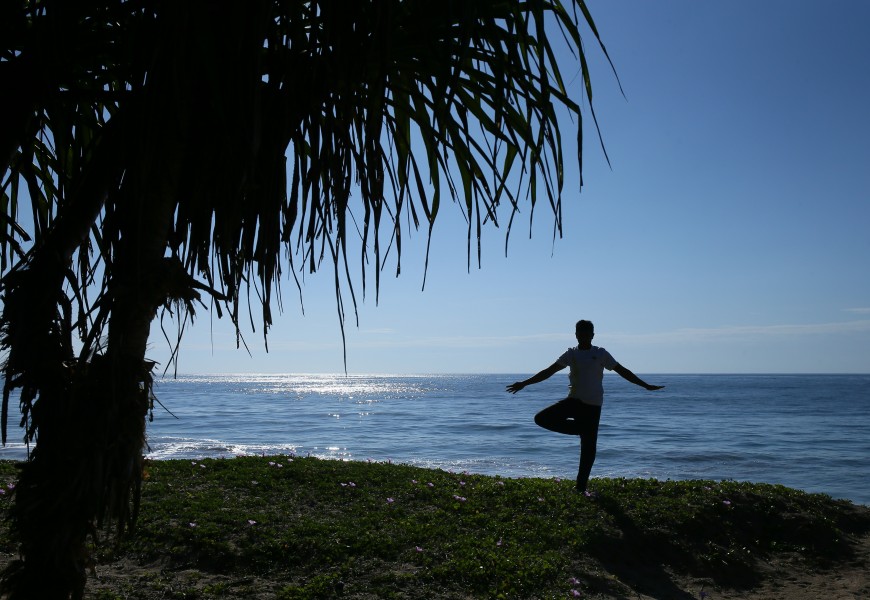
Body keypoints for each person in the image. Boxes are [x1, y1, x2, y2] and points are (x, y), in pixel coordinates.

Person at [506, 320, 663, 492]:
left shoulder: (601, 353)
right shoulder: (571, 354)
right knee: (542, 418)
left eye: (587, 334)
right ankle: (581, 430)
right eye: (580, 334)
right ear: (576, 335)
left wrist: (645, 385)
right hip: (573, 402)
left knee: (588, 449)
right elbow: (549, 371)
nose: (583, 337)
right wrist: (525, 383)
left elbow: (622, 370)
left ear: (592, 335)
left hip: (593, 406)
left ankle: (580, 487)